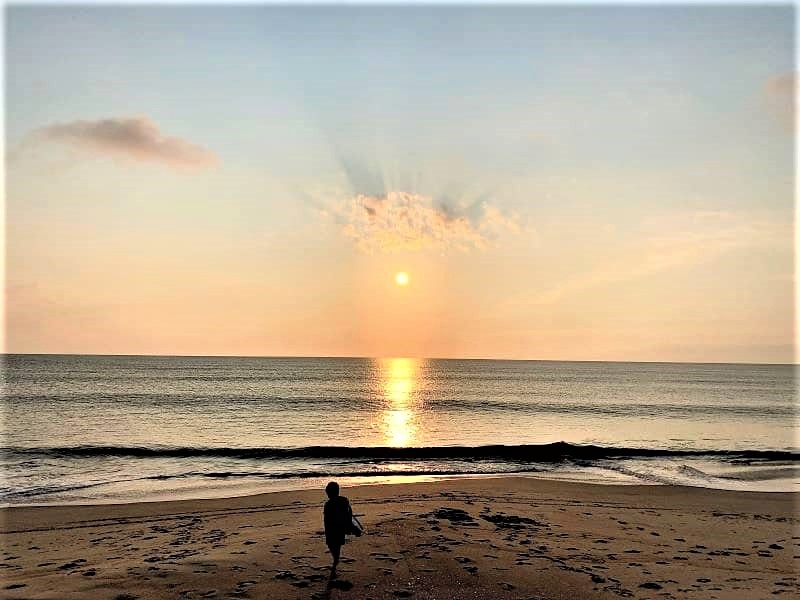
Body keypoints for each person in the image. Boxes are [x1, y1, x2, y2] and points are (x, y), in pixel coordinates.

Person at [323, 481, 354, 576]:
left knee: (332, 545)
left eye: (328, 492)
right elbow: (349, 513)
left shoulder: (328, 504)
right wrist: (349, 526)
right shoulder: (344, 500)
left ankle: (335, 560)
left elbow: (327, 519)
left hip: (332, 529)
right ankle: (336, 559)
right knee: (337, 545)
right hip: (340, 528)